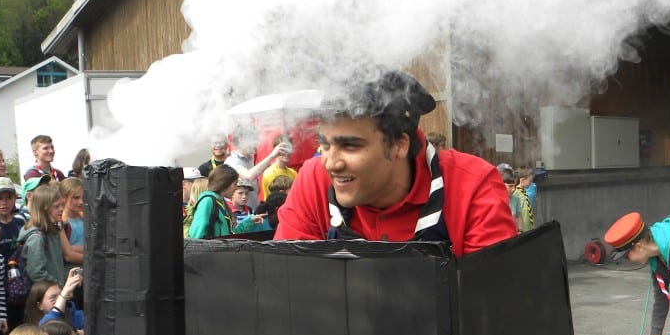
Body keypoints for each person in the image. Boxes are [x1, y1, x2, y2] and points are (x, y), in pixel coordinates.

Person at [274, 71, 517, 253]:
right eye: (325, 144)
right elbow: (288, 286)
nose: (331, 164)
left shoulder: (472, 185)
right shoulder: (313, 179)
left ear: (399, 144)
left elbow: (488, 304)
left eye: (350, 145)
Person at [18, 185, 69, 288]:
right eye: (56, 206)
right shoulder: (36, 237)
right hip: (45, 295)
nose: (61, 209)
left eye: (62, 205)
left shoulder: (51, 231)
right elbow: (37, 273)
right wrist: (59, 286)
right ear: (44, 209)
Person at [187, 165, 238, 239]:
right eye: (235, 184)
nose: (236, 188)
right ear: (225, 183)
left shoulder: (221, 202)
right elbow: (197, 232)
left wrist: (249, 222)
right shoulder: (207, 201)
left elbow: (230, 233)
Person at [259, 135, 297, 200]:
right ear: (275, 150)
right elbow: (275, 199)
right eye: (283, 149)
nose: (286, 152)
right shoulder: (270, 173)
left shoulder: (293, 172)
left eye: (289, 148)